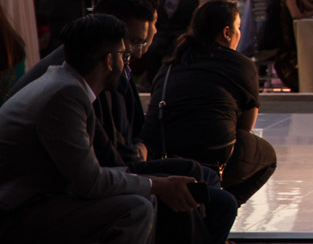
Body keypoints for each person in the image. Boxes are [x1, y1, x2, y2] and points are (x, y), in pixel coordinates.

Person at [0, 14, 199, 244]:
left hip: (33, 201)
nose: (127, 62)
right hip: (15, 212)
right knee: (135, 209)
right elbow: (89, 182)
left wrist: (152, 184)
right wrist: (158, 185)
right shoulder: (65, 96)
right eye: (124, 55)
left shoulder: (60, 82)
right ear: (108, 60)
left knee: (143, 198)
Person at [151, 0, 275, 205]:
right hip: (213, 156)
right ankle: (223, 207)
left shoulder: (172, 62)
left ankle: (212, 205)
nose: (239, 34)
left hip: (163, 153)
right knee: (267, 156)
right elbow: (245, 128)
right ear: (227, 32)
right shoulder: (240, 64)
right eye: (238, 27)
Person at [138, 0, 195, 86]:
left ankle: (176, 80)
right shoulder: (157, 0)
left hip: (180, 33)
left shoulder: (190, 2)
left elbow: (192, 23)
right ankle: (153, 80)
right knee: (153, 49)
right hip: (161, 33)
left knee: (179, 47)